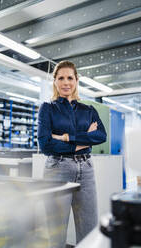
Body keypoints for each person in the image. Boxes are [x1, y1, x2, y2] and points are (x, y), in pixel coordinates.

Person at [37, 60, 107, 247]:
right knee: (56, 231)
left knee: (89, 231)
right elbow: (45, 144)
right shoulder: (48, 109)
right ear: (55, 82)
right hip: (57, 169)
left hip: (86, 169)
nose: (65, 82)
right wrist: (82, 142)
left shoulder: (88, 110)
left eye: (70, 78)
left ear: (76, 81)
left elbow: (101, 135)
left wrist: (67, 138)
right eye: (61, 78)